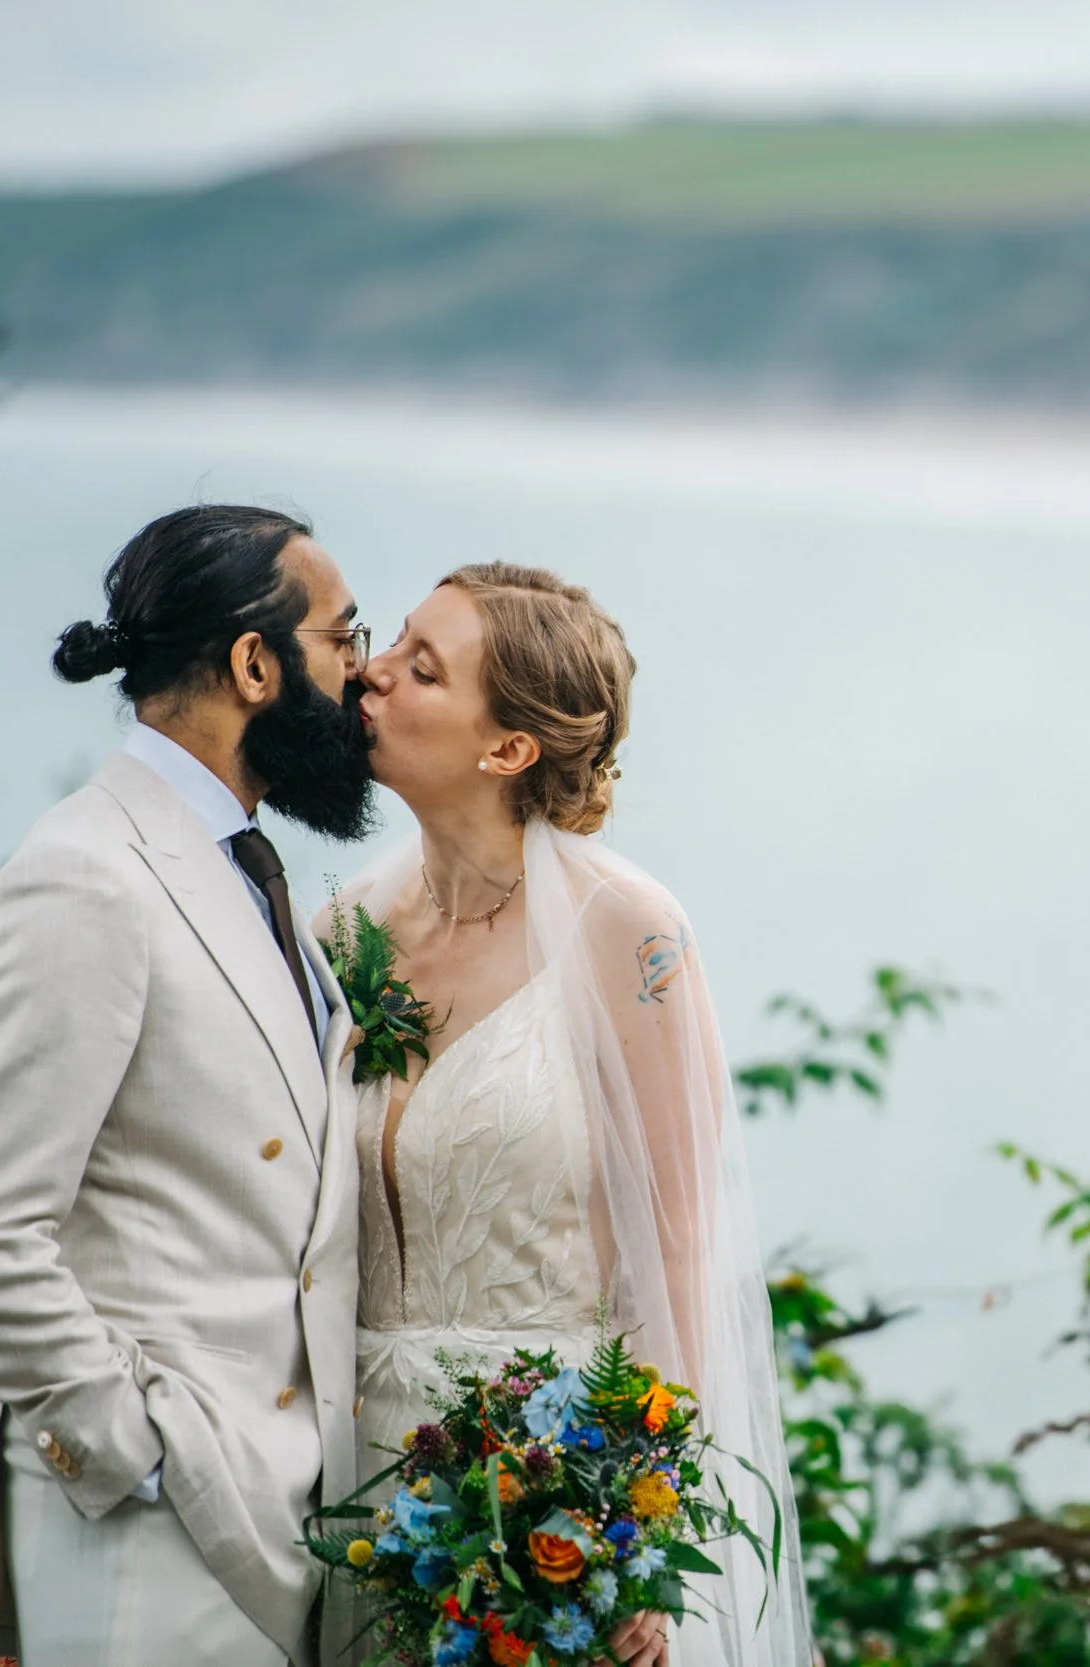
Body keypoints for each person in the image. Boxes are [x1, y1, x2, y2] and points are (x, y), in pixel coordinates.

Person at [0, 504, 377, 1666]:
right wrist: (136, 1454)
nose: (365, 679)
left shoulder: (242, 866)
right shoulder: (87, 877)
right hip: (150, 1542)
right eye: (346, 638)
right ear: (256, 665)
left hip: (276, 1532)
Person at [332, 562, 808, 1666]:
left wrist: (639, 1527)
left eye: (421, 667)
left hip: (552, 1493)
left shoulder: (626, 929)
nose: (371, 674)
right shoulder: (342, 930)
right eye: (390, 643)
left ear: (507, 749)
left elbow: (680, 1246)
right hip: (356, 1484)